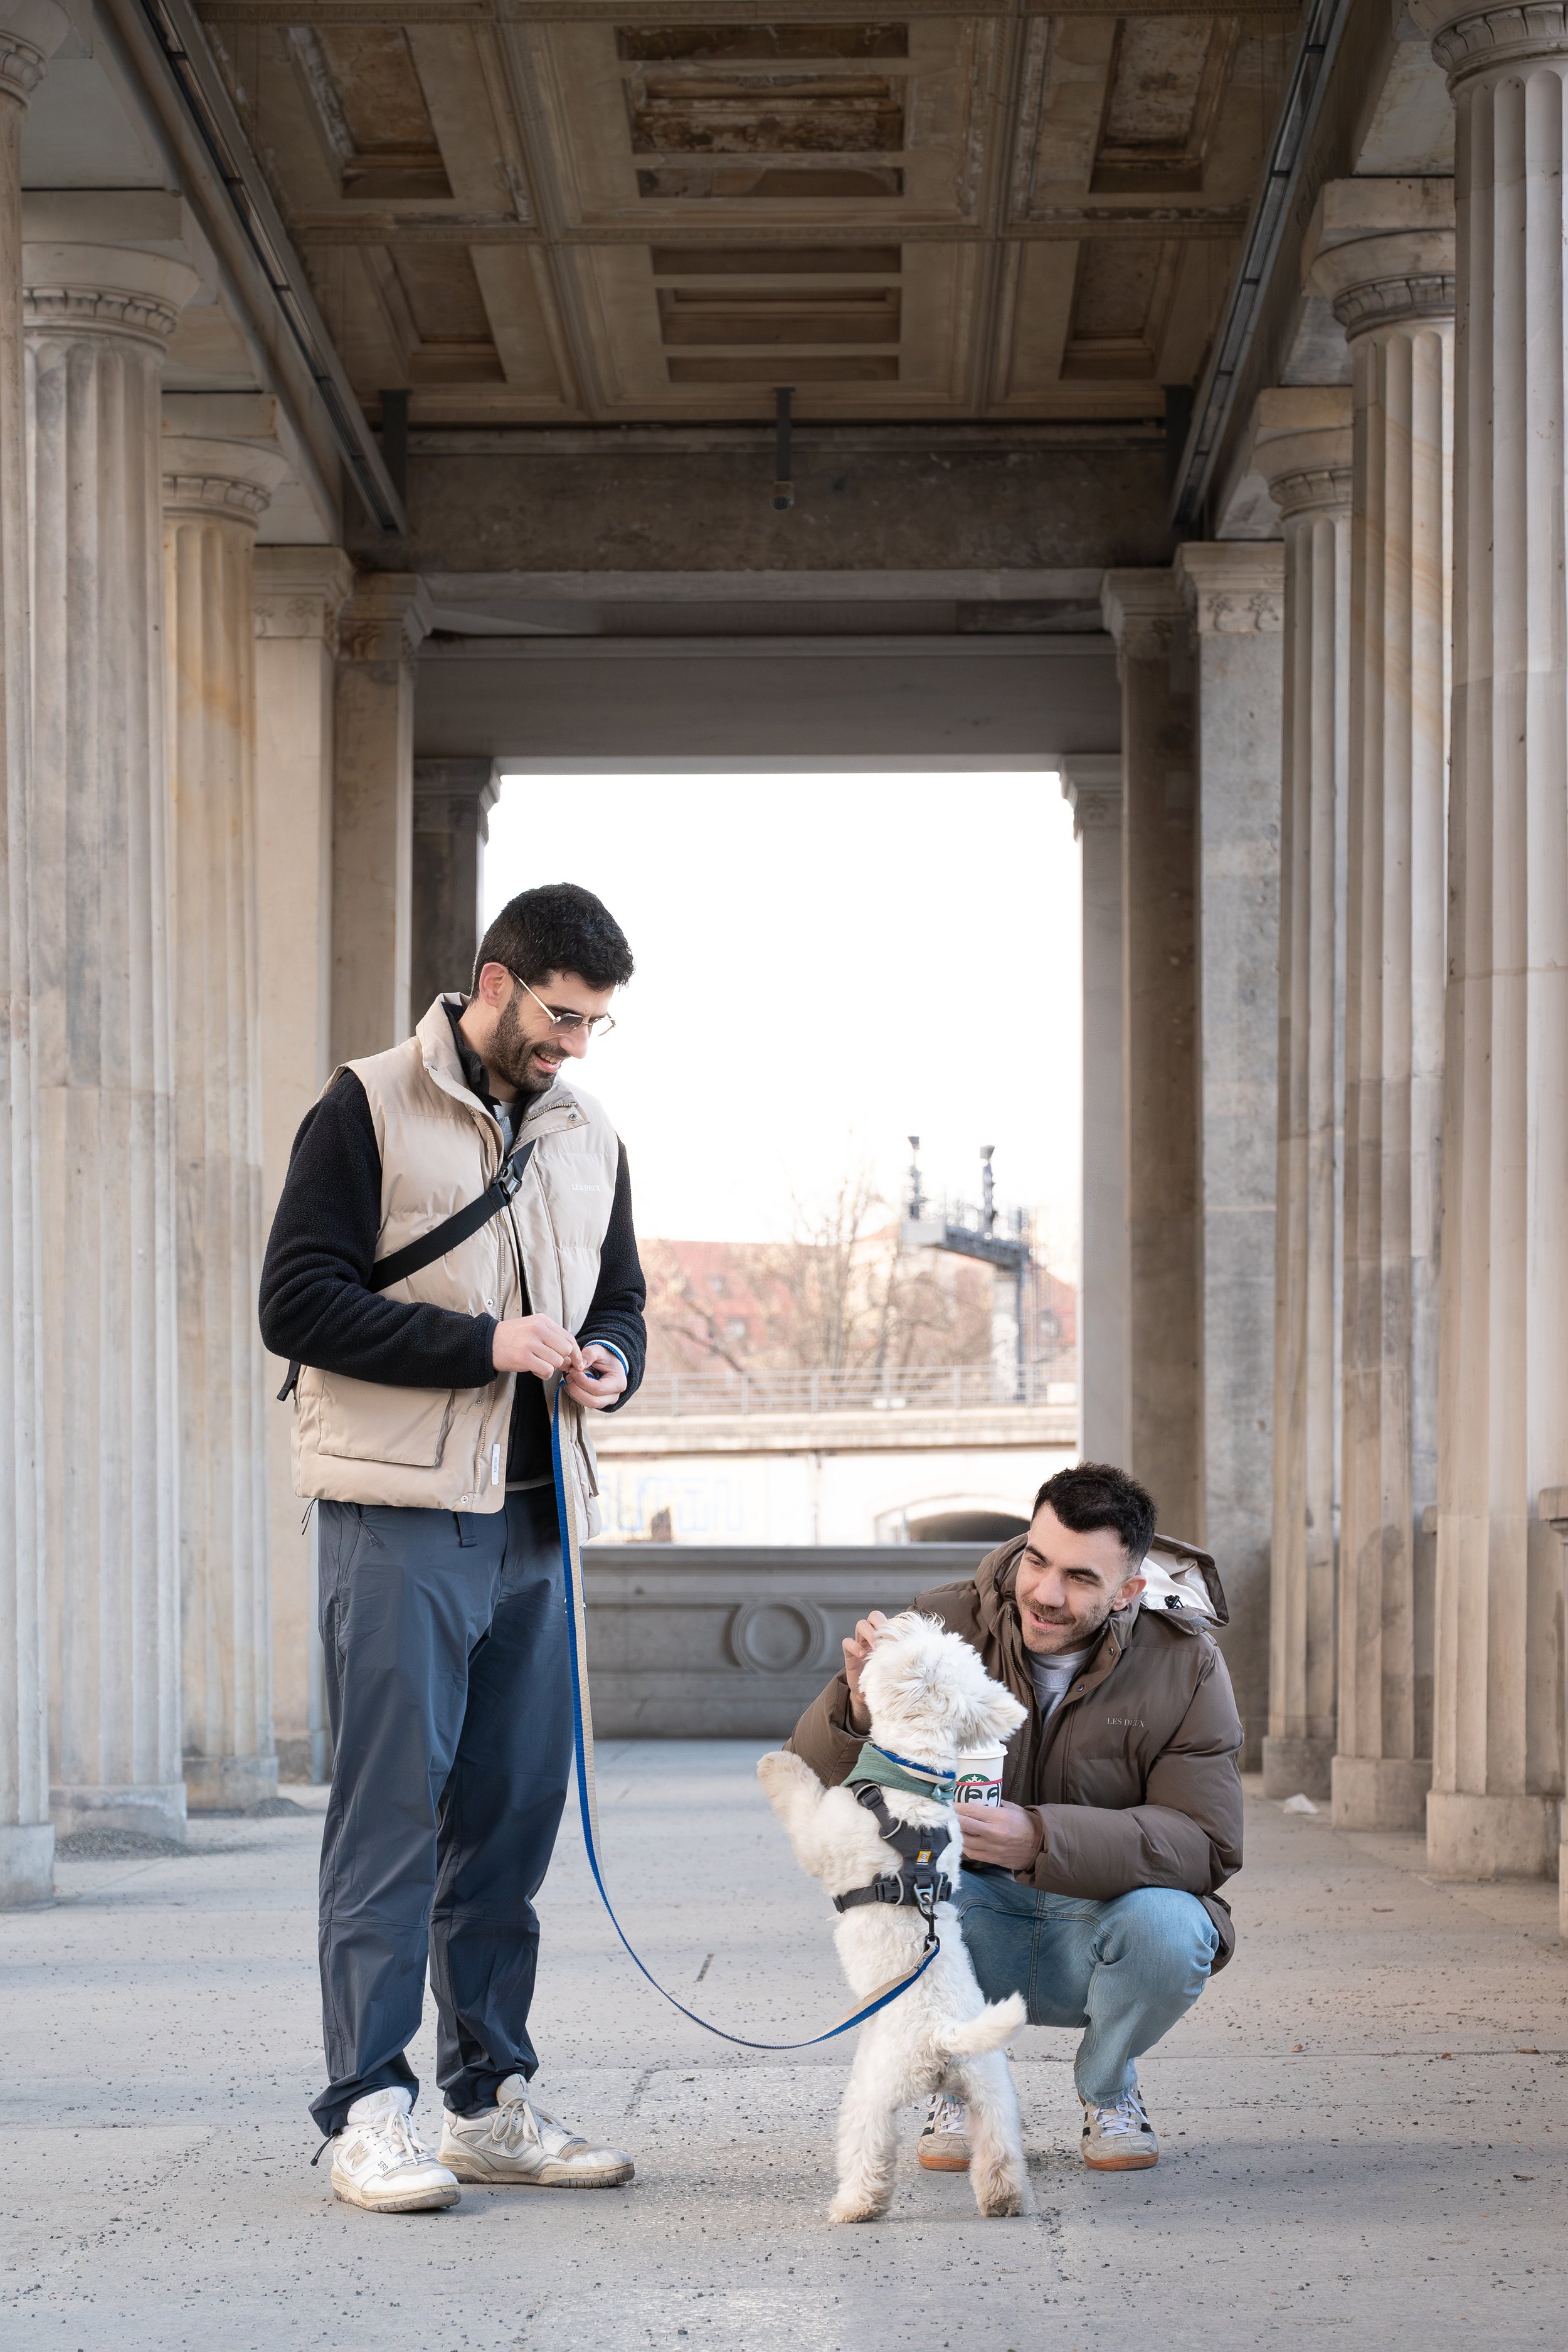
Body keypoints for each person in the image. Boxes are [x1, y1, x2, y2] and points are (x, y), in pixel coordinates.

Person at [260, 882, 646, 2215]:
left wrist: (608, 1363)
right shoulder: (362, 1105)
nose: (575, 1047)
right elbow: (294, 1301)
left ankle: (485, 2102)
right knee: (389, 1825)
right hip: (399, 1521)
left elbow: (628, 1303)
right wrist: (481, 1346)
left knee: (508, 1824)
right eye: (558, 1015)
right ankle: (367, 2110)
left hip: (539, 1523)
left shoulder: (590, 1131)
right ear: (492, 981)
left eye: (596, 1024)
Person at [787, 1461, 1242, 2173]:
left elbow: (1206, 1842)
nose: (1045, 1593)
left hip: (1099, 1925)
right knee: (908, 1899)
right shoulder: (945, 1620)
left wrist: (1040, 1837)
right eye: (1037, 1560)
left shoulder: (1187, 1664)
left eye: (1081, 1579)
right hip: (971, 1917)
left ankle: (1109, 2089)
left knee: (1174, 1928)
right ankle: (954, 2082)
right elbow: (818, 1783)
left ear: (1127, 1590)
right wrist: (856, 1710)